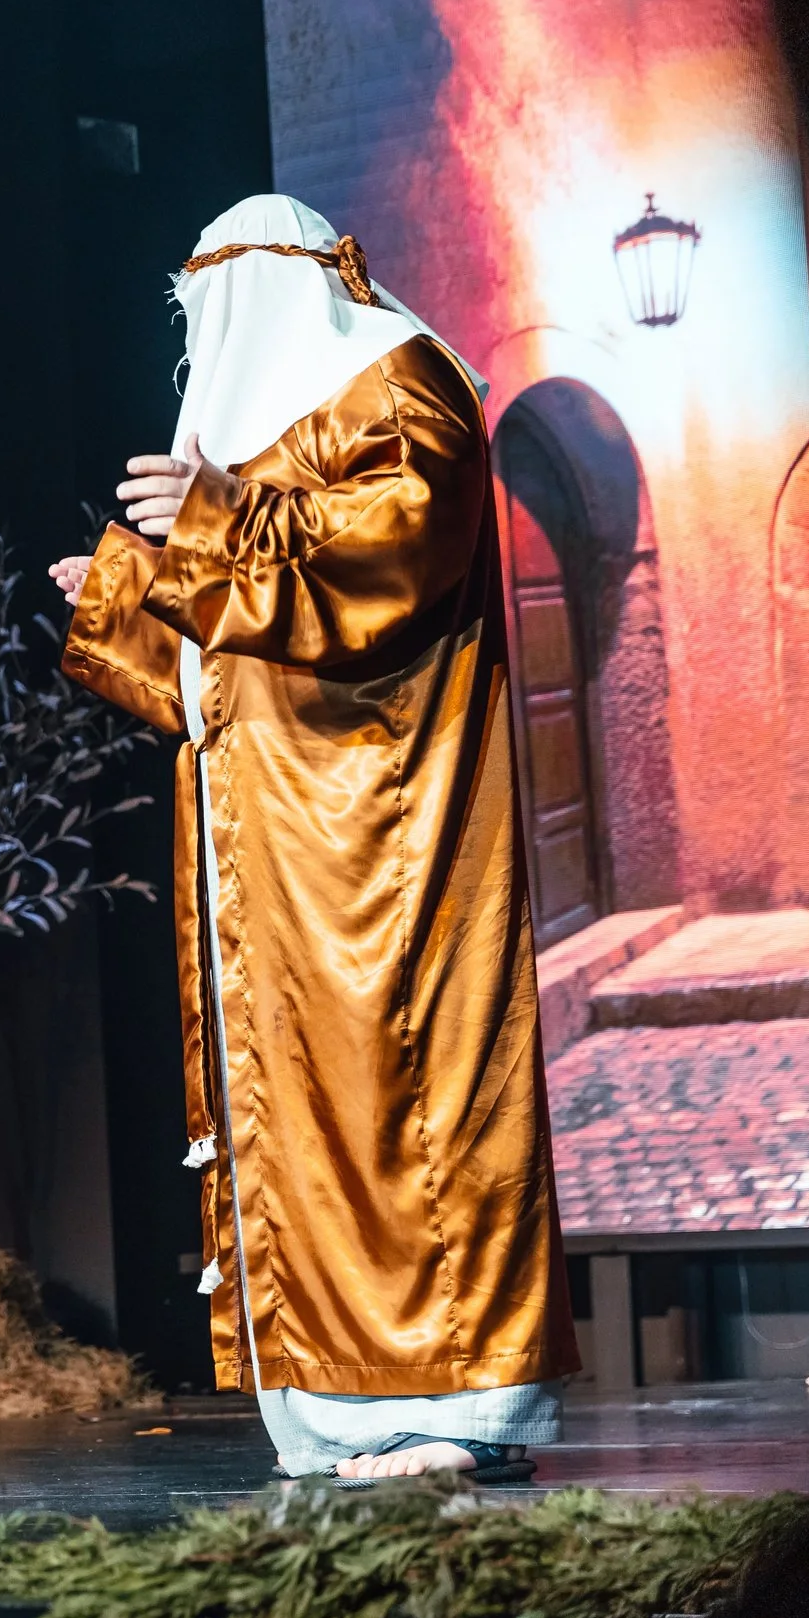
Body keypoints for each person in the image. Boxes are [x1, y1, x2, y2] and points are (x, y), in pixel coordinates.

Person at [50, 194, 580, 1482]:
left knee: (406, 1109)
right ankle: (333, 1407)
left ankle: (450, 1405)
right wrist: (125, 591)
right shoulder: (258, 456)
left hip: (385, 849)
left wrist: (215, 520)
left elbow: (374, 578)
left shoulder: (406, 394)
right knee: (299, 1132)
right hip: (274, 868)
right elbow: (220, 669)